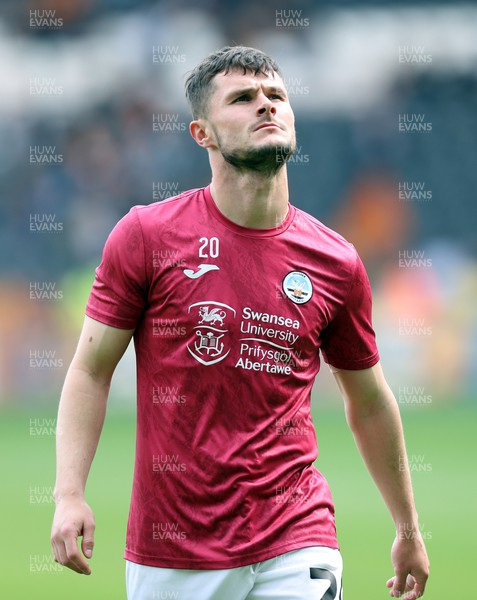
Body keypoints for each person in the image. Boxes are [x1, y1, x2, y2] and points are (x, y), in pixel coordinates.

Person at [51, 46, 429, 600]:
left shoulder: (337, 261)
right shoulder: (146, 237)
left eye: (277, 96)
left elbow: (369, 401)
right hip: (174, 548)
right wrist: (68, 493)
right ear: (201, 133)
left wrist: (407, 528)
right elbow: (90, 371)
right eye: (244, 98)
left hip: (298, 536)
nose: (266, 107)